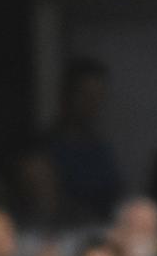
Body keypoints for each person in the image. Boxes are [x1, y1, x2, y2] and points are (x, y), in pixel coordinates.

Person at [46, 58, 122, 220]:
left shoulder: (100, 147)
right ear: (67, 95)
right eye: (86, 95)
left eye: (98, 96)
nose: (93, 104)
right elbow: (50, 204)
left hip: (103, 231)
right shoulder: (46, 147)